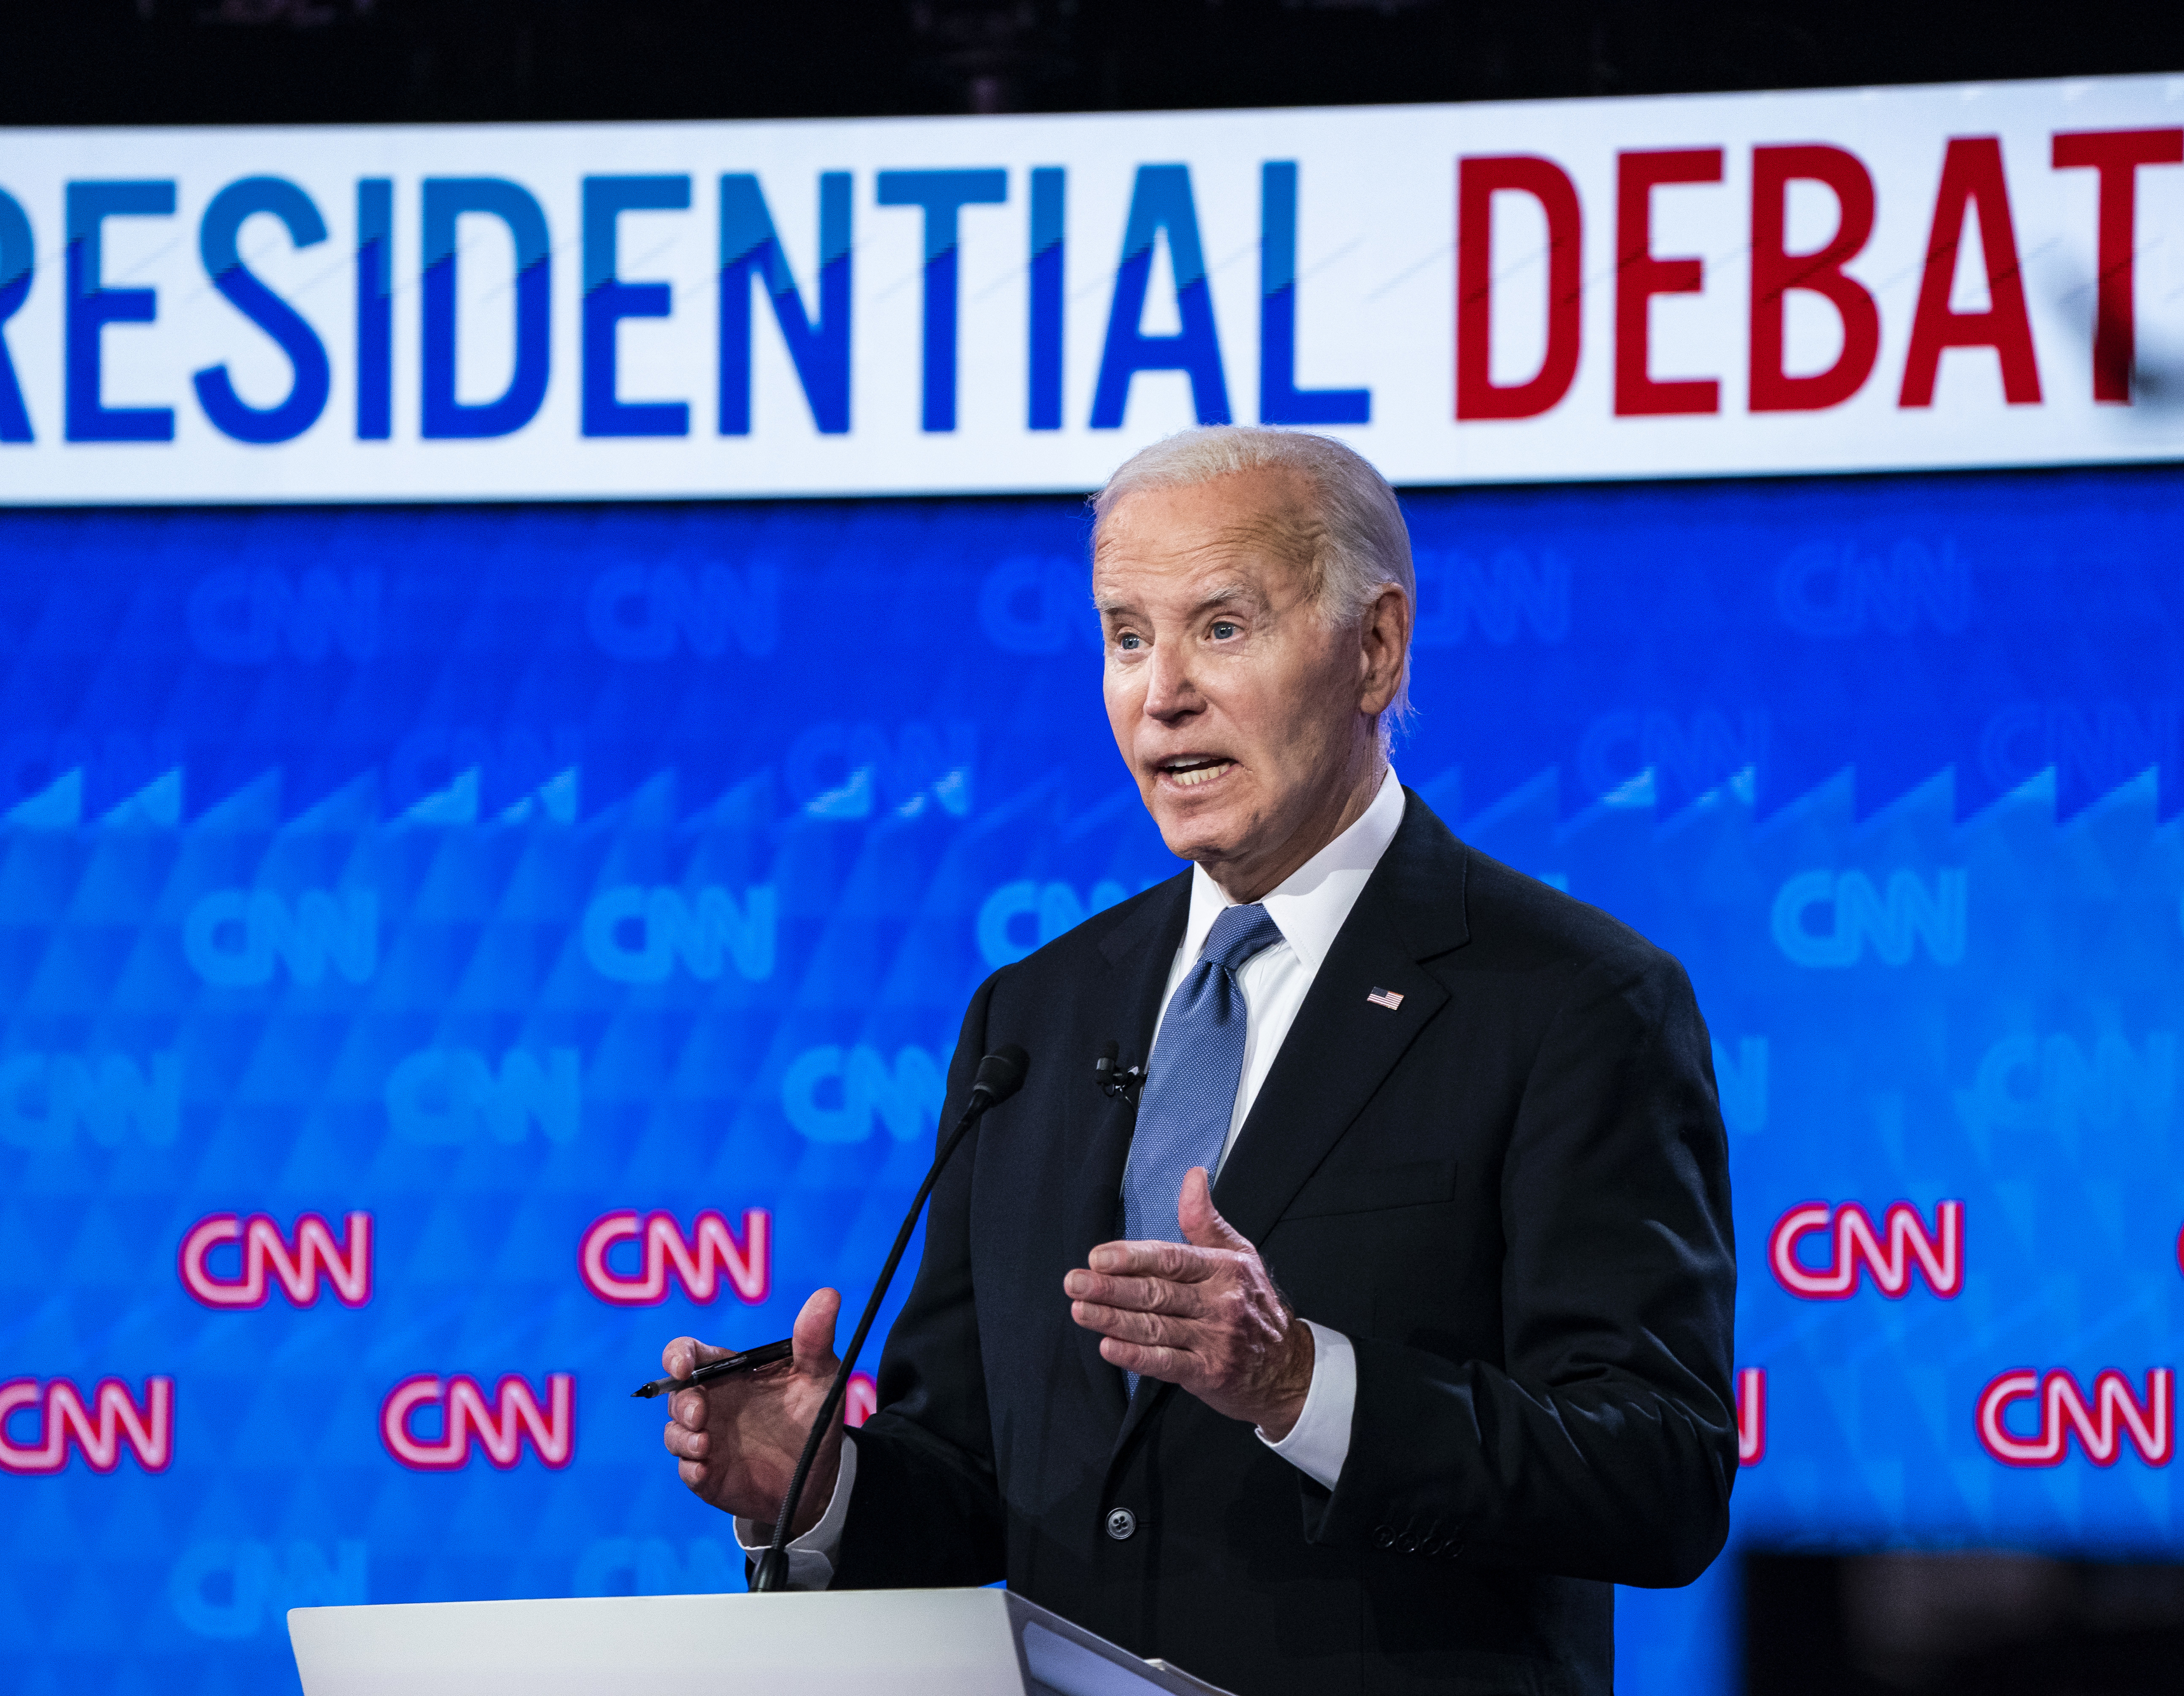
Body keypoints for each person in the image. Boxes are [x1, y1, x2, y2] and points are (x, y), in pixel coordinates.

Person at [660, 426, 1737, 1695]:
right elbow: (979, 1487)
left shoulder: (1570, 1000)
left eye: (1220, 627)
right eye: (1125, 635)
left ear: (1374, 647)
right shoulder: (1032, 1015)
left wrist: (1299, 1382)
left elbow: (1655, 1473)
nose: (1159, 689)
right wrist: (823, 1484)